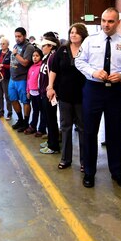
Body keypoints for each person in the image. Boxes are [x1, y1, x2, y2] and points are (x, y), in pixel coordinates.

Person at [75, 8, 121, 189]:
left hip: (115, 92)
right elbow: (79, 62)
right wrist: (93, 72)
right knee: (90, 132)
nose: (106, 25)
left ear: (118, 22)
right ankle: (89, 173)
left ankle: (117, 173)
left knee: (115, 134)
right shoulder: (89, 41)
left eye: (110, 21)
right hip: (93, 90)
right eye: (103, 21)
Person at [48, 23, 88, 170]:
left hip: (83, 96)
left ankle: (85, 161)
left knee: (83, 128)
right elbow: (54, 69)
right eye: (71, 32)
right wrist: (50, 86)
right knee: (65, 127)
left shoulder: (87, 49)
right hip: (64, 95)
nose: (73, 35)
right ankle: (65, 159)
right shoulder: (62, 49)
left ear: (83, 35)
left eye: (77, 33)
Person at [8, 27, 37, 132]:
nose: (17, 38)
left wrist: (15, 54)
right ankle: (20, 119)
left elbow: (25, 62)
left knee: (25, 101)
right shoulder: (15, 46)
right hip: (13, 78)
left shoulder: (28, 47)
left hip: (22, 78)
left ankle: (25, 122)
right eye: (15, 36)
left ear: (24, 36)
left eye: (19, 36)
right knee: (13, 99)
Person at [37, 36, 60, 152]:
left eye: (44, 45)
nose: (42, 48)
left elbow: (53, 75)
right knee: (48, 118)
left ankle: (53, 145)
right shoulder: (47, 57)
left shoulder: (52, 57)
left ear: (50, 46)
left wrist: (51, 89)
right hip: (44, 92)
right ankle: (51, 140)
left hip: (49, 94)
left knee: (51, 119)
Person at [0, 37, 12, 119]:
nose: (2, 45)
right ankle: (1, 111)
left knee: (7, 95)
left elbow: (12, 65)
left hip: (6, 77)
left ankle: (9, 112)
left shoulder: (10, 54)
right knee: (0, 95)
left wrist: (3, 65)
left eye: (3, 44)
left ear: (8, 45)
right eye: (0, 44)